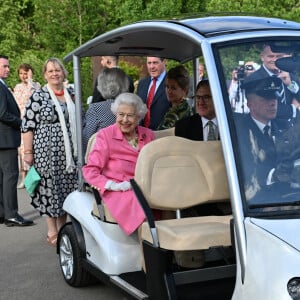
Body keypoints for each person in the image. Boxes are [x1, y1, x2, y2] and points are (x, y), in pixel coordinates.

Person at [22, 57, 79, 246]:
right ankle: (51, 229)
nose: (55, 73)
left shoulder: (72, 93)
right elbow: (27, 126)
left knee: (65, 188)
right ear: (45, 75)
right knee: (48, 189)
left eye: (58, 70)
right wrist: (28, 152)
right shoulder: (38, 95)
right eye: (50, 71)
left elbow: (81, 119)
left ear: (64, 72)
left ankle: (63, 228)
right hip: (45, 151)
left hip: (69, 152)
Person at [83, 92, 155, 235]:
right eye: (121, 114)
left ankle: (175, 250)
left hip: (147, 186)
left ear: (139, 117)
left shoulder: (148, 135)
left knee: (169, 201)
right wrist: (112, 185)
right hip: (120, 191)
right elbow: (90, 171)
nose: (125, 120)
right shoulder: (106, 135)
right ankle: (147, 255)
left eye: (130, 115)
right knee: (141, 204)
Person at [235, 76, 296, 202]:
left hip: (289, 198)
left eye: (274, 98)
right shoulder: (239, 131)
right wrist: (274, 175)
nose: (273, 102)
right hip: (256, 201)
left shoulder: (285, 127)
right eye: (265, 99)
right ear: (250, 104)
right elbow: (245, 170)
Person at [0, 54, 34, 227]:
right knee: (10, 176)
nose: (8, 69)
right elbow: (2, 113)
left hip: (3, 138)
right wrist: (21, 122)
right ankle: (11, 215)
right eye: (4, 66)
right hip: (5, 139)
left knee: (2, 177)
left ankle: (2, 212)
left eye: (8, 66)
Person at [244, 43, 300, 120]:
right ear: (262, 57)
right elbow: (261, 109)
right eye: (270, 56)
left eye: (278, 56)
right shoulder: (254, 80)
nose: (274, 60)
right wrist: (293, 108)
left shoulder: (290, 76)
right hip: (271, 128)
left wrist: (290, 84)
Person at [82, 67, 130, 153]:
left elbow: (86, 139)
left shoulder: (96, 109)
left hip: (103, 159)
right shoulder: (133, 107)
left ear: (102, 86)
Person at [13, 63, 41, 189]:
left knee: (36, 148)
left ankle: (35, 176)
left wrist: (31, 81)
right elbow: (22, 100)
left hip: (36, 121)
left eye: (26, 73)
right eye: (21, 73)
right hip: (23, 121)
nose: (23, 76)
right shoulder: (18, 87)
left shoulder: (37, 85)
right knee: (23, 150)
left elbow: (35, 98)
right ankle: (24, 178)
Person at [136, 56, 170, 129]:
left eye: (155, 63)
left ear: (164, 62)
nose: (151, 67)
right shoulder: (142, 84)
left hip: (164, 135)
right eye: (149, 63)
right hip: (142, 134)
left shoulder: (171, 83)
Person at [157, 65, 192, 130]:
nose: (169, 91)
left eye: (173, 88)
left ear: (184, 90)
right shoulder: (174, 108)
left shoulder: (181, 111)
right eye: (167, 86)